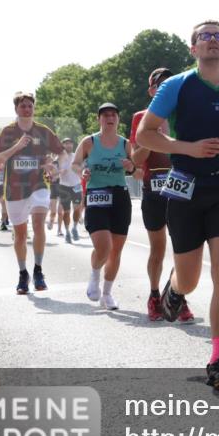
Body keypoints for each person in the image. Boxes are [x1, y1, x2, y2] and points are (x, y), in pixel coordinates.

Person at [136, 20, 219, 390]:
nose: (213, 41)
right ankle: (175, 290)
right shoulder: (177, 85)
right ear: (194, 49)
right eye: (205, 36)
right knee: (190, 276)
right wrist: (189, 148)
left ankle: (217, 359)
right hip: (184, 187)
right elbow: (144, 134)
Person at [131, 67, 194, 323]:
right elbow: (135, 159)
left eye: (170, 83)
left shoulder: (185, 115)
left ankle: (177, 296)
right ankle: (155, 295)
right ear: (151, 90)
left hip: (181, 187)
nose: (166, 87)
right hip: (153, 190)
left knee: (183, 249)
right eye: (160, 84)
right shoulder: (142, 117)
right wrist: (152, 137)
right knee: (158, 248)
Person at [0, 91, 66, 294]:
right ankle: (23, 273)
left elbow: (62, 152)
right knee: (21, 235)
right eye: (23, 106)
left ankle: (38, 270)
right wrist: (16, 146)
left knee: (39, 224)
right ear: (16, 109)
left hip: (38, 185)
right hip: (14, 189)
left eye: (30, 106)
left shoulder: (43, 131)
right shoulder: (6, 132)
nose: (27, 109)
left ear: (34, 108)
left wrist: (56, 166)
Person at [72, 103, 135, 310]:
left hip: (119, 196)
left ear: (118, 119)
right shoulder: (89, 142)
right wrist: (82, 172)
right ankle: (94, 274)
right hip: (97, 194)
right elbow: (75, 164)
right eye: (105, 115)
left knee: (116, 251)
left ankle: (107, 294)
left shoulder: (125, 144)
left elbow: (137, 169)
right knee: (103, 247)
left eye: (114, 115)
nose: (110, 118)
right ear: (99, 119)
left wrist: (131, 166)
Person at [56, 138, 84, 243]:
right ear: (63, 145)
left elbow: (81, 167)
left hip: (76, 185)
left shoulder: (76, 156)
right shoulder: (59, 157)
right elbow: (54, 170)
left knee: (77, 208)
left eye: (70, 143)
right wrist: (59, 171)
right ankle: (67, 232)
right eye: (66, 143)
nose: (69, 145)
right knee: (66, 211)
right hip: (64, 186)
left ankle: (74, 228)